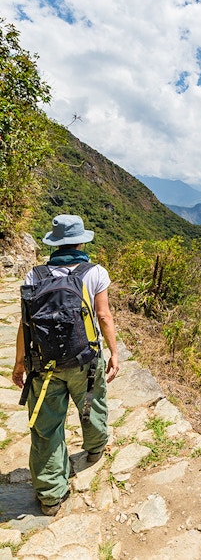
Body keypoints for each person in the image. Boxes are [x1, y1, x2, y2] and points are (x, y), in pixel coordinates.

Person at [12, 214, 119, 516]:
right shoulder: (95, 272)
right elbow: (104, 316)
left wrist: (19, 362)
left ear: (54, 243)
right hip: (86, 359)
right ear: (82, 240)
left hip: (44, 364)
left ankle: (50, 497)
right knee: (92, 402)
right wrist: (113, 352)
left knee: (46, 429)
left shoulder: (35, 276)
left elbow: (25, 323)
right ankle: (95, 447)